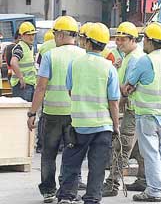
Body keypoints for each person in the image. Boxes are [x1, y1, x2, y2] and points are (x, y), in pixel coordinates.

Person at [57, 23, 120, 204]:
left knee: (71, 163)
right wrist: (115, 125)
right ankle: (92, 198)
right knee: (97, 166)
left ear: (88, 42)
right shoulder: (109, 68)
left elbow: (70, 91)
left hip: (79, 125)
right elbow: (113, 102)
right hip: (103, 127)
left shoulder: (74, 64)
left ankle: (66, 196)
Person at [27, 16, 86, 203]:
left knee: (49, 154)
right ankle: (69, 192)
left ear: (60, 35)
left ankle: (49, 192)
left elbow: (41, 87)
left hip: (52, 113)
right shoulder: (83, 55)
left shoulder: (50, 55)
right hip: (75, 114)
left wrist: (32, 113)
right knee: (73, 154)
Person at [124, 22, 161, 202]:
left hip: (147, 114)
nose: (143, 43)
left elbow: (128, 87)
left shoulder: (146, 60)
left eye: (144, 39)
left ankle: (154, 190)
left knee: (151, 153)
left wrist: (130, 89)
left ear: (149, 40)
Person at [102, 22, 146, 197]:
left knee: (122, 146)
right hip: (135, 109)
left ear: (132, 39)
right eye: (117, 39)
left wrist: (115, 109)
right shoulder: (129, 57)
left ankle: (112, 183)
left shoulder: (135, 58)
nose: (118, 43)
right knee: (138, 148)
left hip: (133, 109)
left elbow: (127, 89)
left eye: (122, 40)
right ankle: (144, 179)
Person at [10, 21, 38, 101]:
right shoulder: (20, 47)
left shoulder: (29, 47)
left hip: (30, 83)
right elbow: (13, 62)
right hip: (22, 85)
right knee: (22, 110)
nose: (31, 37)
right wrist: (21, 78)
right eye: (29, 35)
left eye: (33, 34)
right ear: (22, 35)